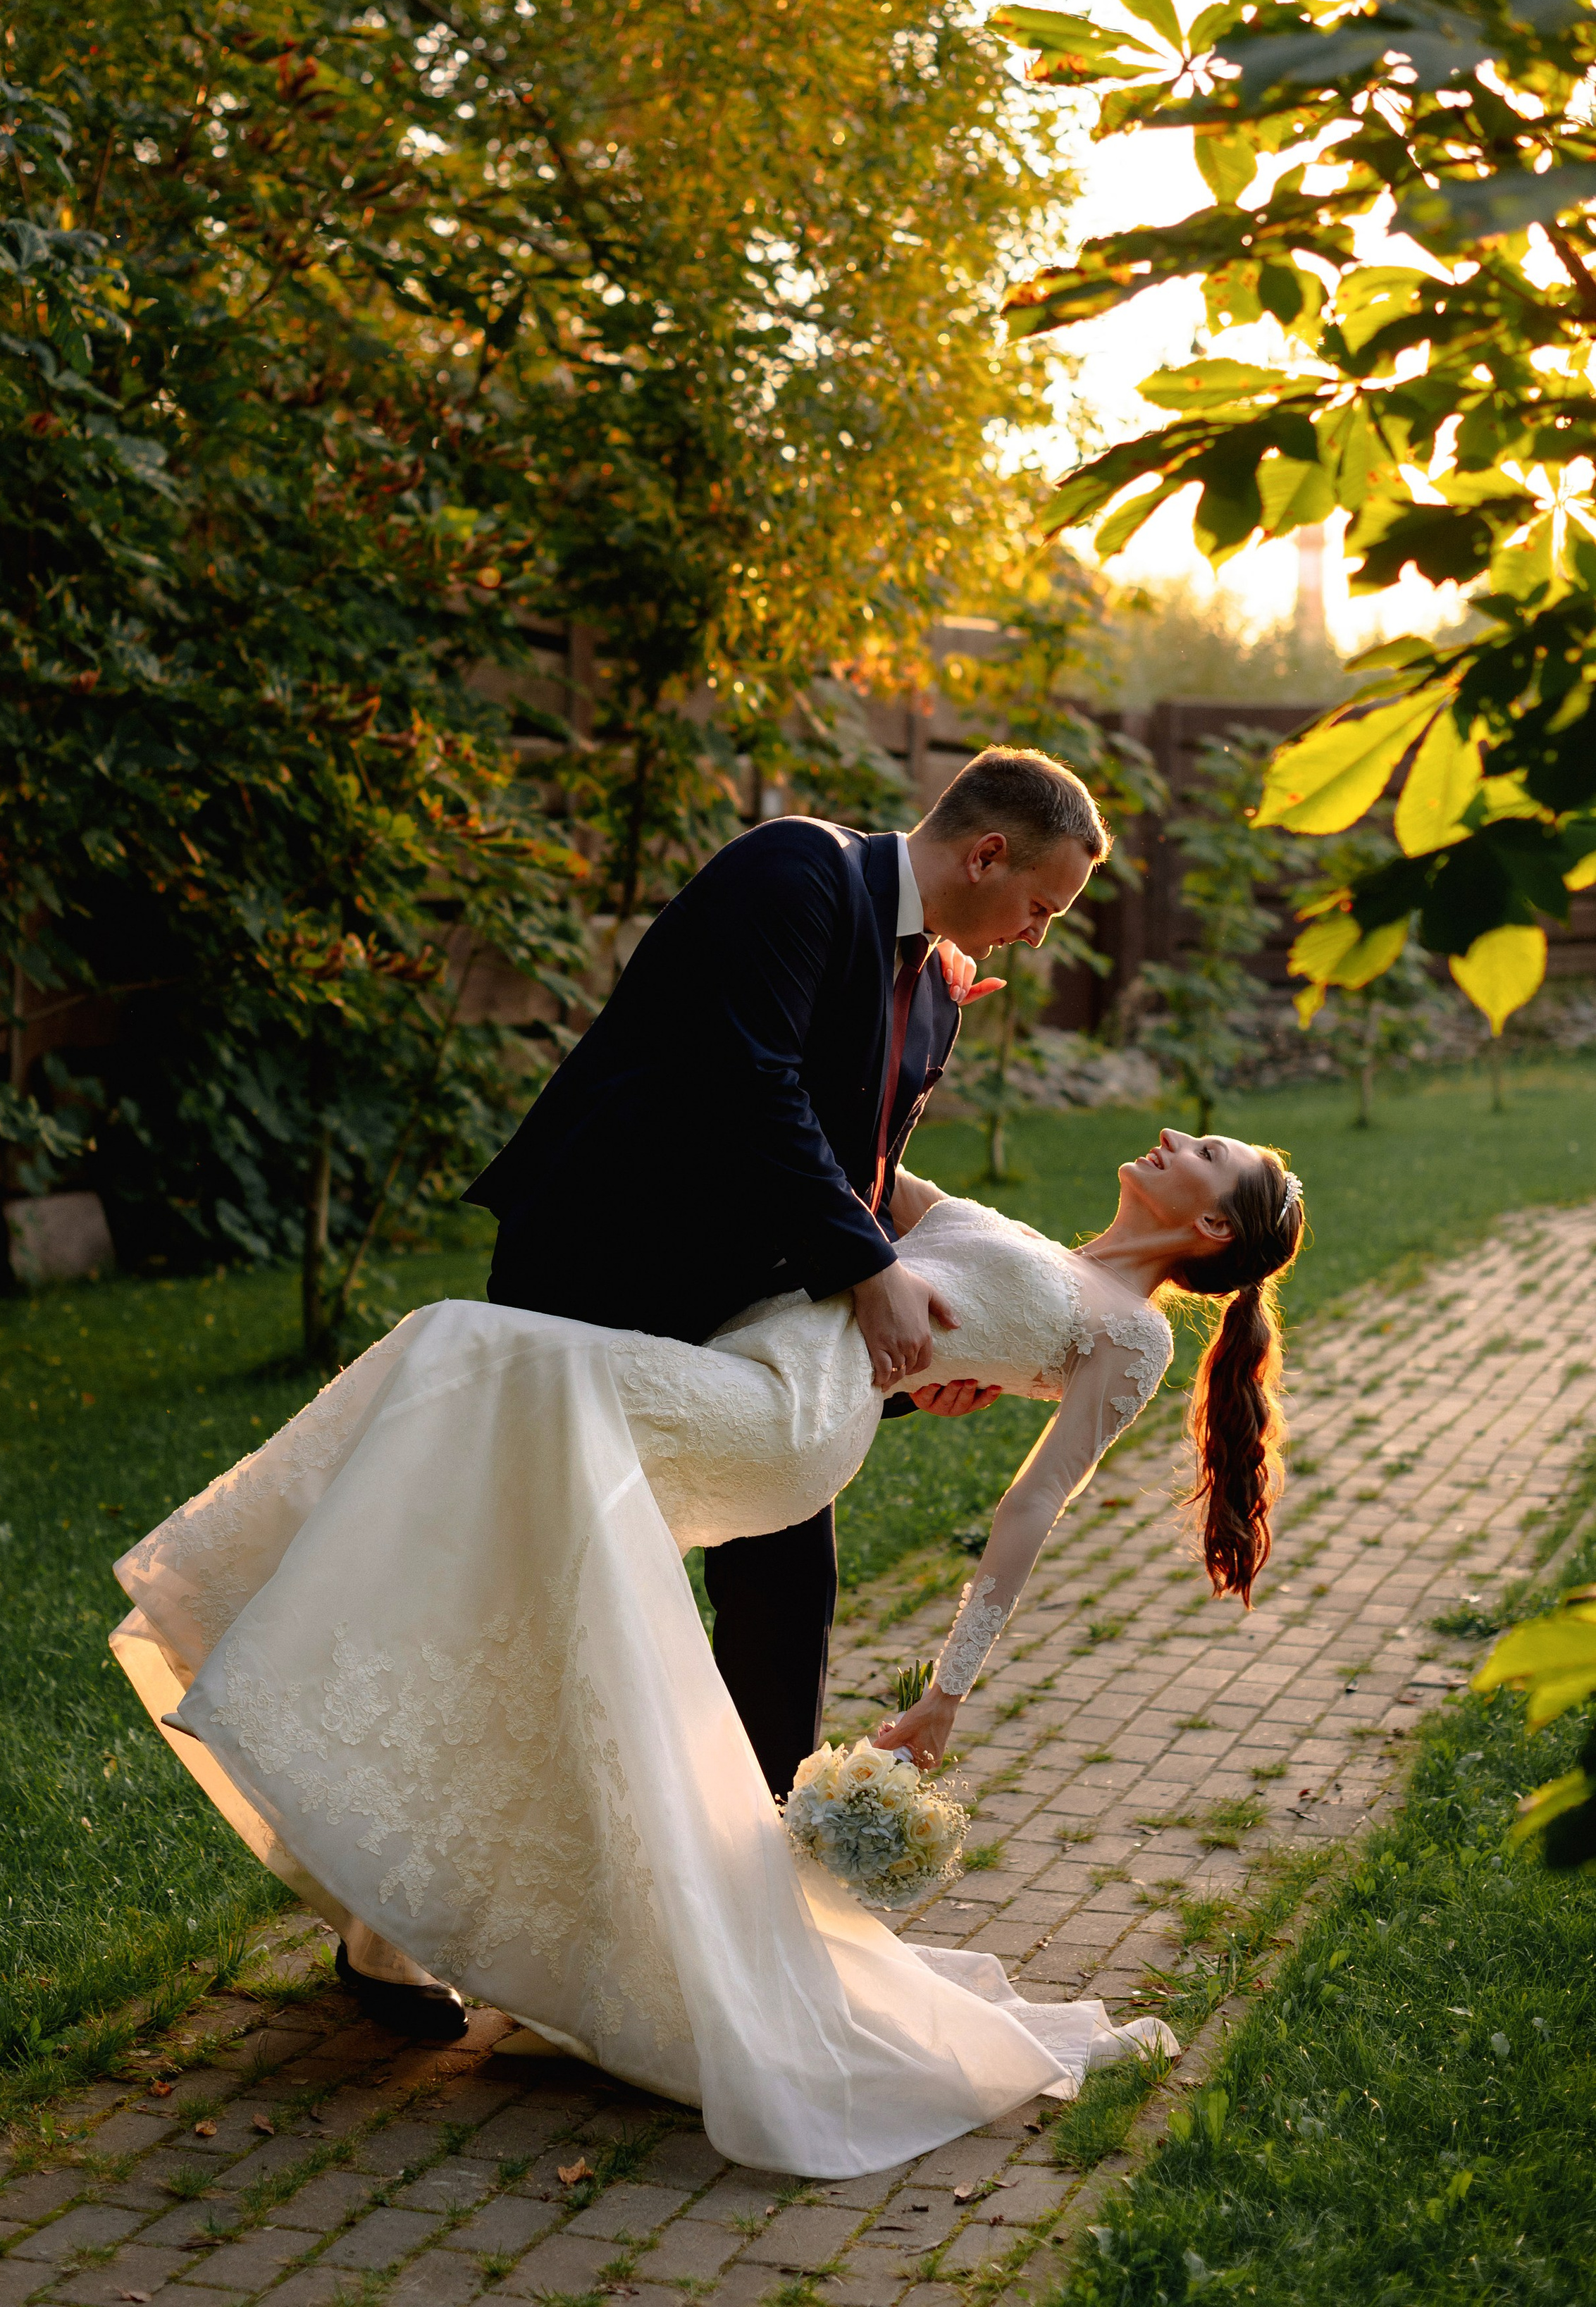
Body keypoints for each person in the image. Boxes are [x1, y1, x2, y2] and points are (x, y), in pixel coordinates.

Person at [110, 1127, 1305, 2177]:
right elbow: (856, 1161)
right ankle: (397, 1849)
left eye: (1205, 1151)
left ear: (1208, 1224)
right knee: (485, 1475)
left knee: (462, 1346)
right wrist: (917, 988)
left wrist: (947, 1691)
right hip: (754, 1366)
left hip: (786, 1419)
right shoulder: (1023, 1238)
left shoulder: (1129, 1338)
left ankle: (251, 1633)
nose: (1170, 1134)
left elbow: (1031, 1510)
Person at [465, 746, 1109, 1809]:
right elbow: (748, 1083)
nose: (1040, 937)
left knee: (787, 1578)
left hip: (747, 1317)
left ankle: (756, 1858)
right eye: (1042, 906)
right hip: (603, 1269)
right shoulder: (795, 872)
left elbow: (869, 1175)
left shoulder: (941, 994)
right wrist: (870, 1272)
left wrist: (916, 1353)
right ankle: (403, 1913)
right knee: (546, 1583)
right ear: (989, 854)